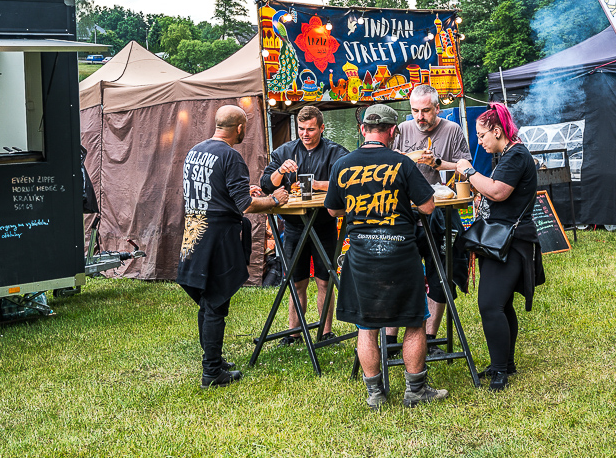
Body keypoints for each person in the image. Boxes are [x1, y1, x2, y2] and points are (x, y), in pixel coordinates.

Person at [325, 104, 448, 409]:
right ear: (393, 131)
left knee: (366, 326)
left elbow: (333, 210)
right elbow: (428, 206)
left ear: (362, 129)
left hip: (361, 255)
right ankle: (415, 390)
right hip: (400, 254)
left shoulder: (342, 164)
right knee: (414, 321)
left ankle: (375, 394)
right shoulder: (401, 163)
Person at [178, 105, 289, 388]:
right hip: (218, 237)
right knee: (215, 303)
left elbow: (208, 192)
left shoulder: (195, 152)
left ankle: (213, 359)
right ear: (240, 128)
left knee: (207, 303)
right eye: (245, 128)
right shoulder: (231, 156)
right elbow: (246, 205)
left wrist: (239, 191)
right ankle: (212, 373)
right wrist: (274, 199)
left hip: (193, 234)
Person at [456, 103, 544, 392]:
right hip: (503, 240)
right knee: (502, 304)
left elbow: (497, 190)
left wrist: (469, 172)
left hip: (509, 242)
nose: (479, 141)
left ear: (497, 131)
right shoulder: (508, 154)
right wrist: (444, 164)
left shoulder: (516, 155)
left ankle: (500, 371)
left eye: (482, 135)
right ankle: (505, 363)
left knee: (490, 305)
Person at [387, 84, 473, 354]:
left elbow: (465, 167)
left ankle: (431, 339)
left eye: (425, 111)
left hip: (441, 210)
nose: (420, 117)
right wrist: (408, 158)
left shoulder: (452, 130)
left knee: (441, 272)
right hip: (405, 212)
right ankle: (390, 340)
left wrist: (437, 163)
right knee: (398, 273)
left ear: (437, 108)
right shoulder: (402, 129)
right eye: (415, 111)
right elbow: (387, 164)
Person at [260, 106, 349, 344]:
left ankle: (325, 332)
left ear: (322, 128)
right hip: (294, 225)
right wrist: (281, 171)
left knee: (324, 280)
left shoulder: (336, 152)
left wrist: (317, 184)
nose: (305, 134)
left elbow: (349, 182)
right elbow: (266, 184)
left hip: (324, 224)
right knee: (296, 280)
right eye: (301, 129)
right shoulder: (285, 151)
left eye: (310, 129)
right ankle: (294, 333)